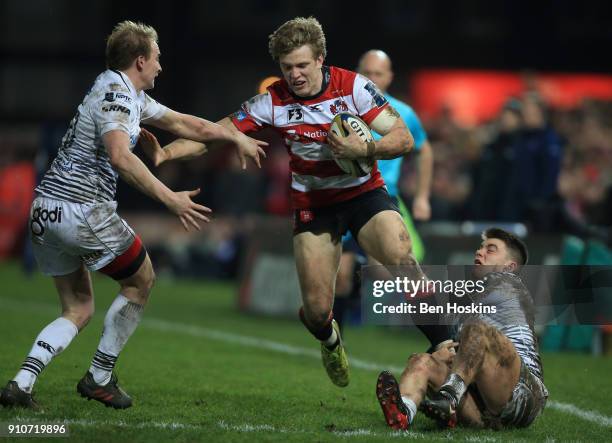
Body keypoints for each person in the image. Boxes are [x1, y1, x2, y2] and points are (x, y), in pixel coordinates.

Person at [144, 17, 450, 388]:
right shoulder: (272, 100)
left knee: (402, 256)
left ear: (320, 58)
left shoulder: (353, 87)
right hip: (314, 206)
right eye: (287, 68)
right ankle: (329, 339)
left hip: (363, 194)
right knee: (319, 311)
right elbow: (214, 132)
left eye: (302, 65)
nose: (296, 75)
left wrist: (364, 147)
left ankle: (448, 345)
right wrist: (166, 154)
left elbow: (402, 138)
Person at [0, 20, 265, 410]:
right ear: (140, 60)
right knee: (142, 279)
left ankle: (21, 383)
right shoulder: (117, 95)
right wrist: (170, 198)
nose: (161, 65)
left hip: (46, 213)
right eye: (157, 58)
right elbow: (121, 156)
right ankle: (100, 378)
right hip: (82, 208)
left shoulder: (123, 91)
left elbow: (182, 122)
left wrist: (235, 135)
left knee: (78, 308)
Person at [376, 228, 548, 430]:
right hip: (483, 400)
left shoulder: (508, 284)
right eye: (480, 247)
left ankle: (448, 398)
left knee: (479, 331)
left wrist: (415, 279)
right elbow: (449, 335)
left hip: (524, 392)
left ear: (509, 267)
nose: (479, 252)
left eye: (490, 250)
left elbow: (444, 315)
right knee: (421, 361)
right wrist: (438, 354)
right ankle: (404, 412)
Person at [333, 49, 433, 332]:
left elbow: (424, 151)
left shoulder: (404, 113)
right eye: (367, 73)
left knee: (387, 270)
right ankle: (336, 342)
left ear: (389, 77)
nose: (372, 79)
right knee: (340, 275)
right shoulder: (342, 108)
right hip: (345, 195)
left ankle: (441, 334)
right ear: (357, 73)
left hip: (382, 198)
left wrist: (423, 196)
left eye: (378, 74)